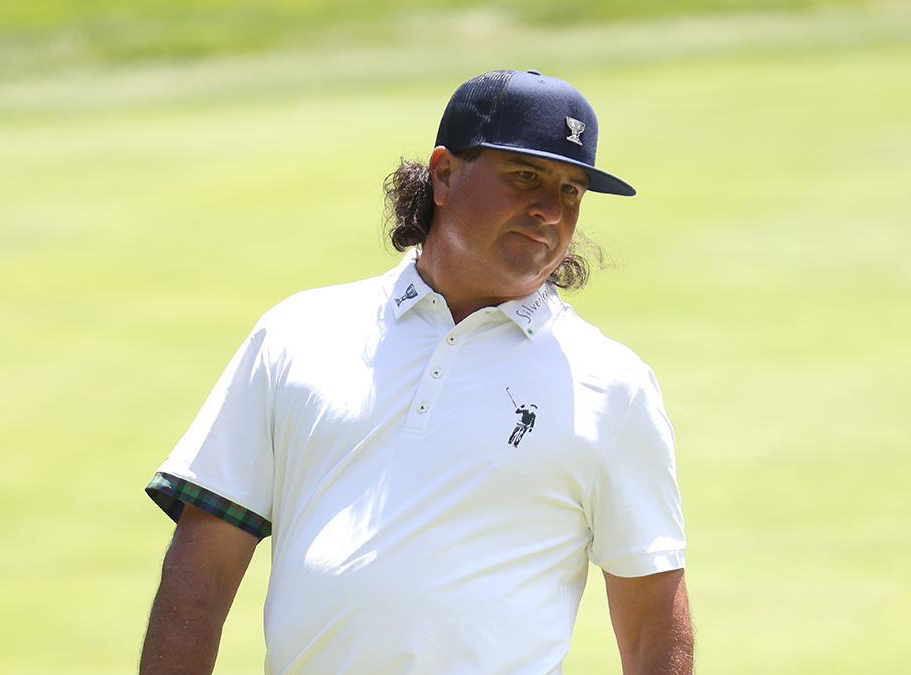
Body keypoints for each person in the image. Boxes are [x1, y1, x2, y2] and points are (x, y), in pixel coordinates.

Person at [140, 69, 692, 675]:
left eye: (571, 190)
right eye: (525, 176)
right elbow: (201, 570)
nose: (549, 210)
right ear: (444, 175)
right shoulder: (298, 332)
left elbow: (653, 621)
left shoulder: (614, 384)